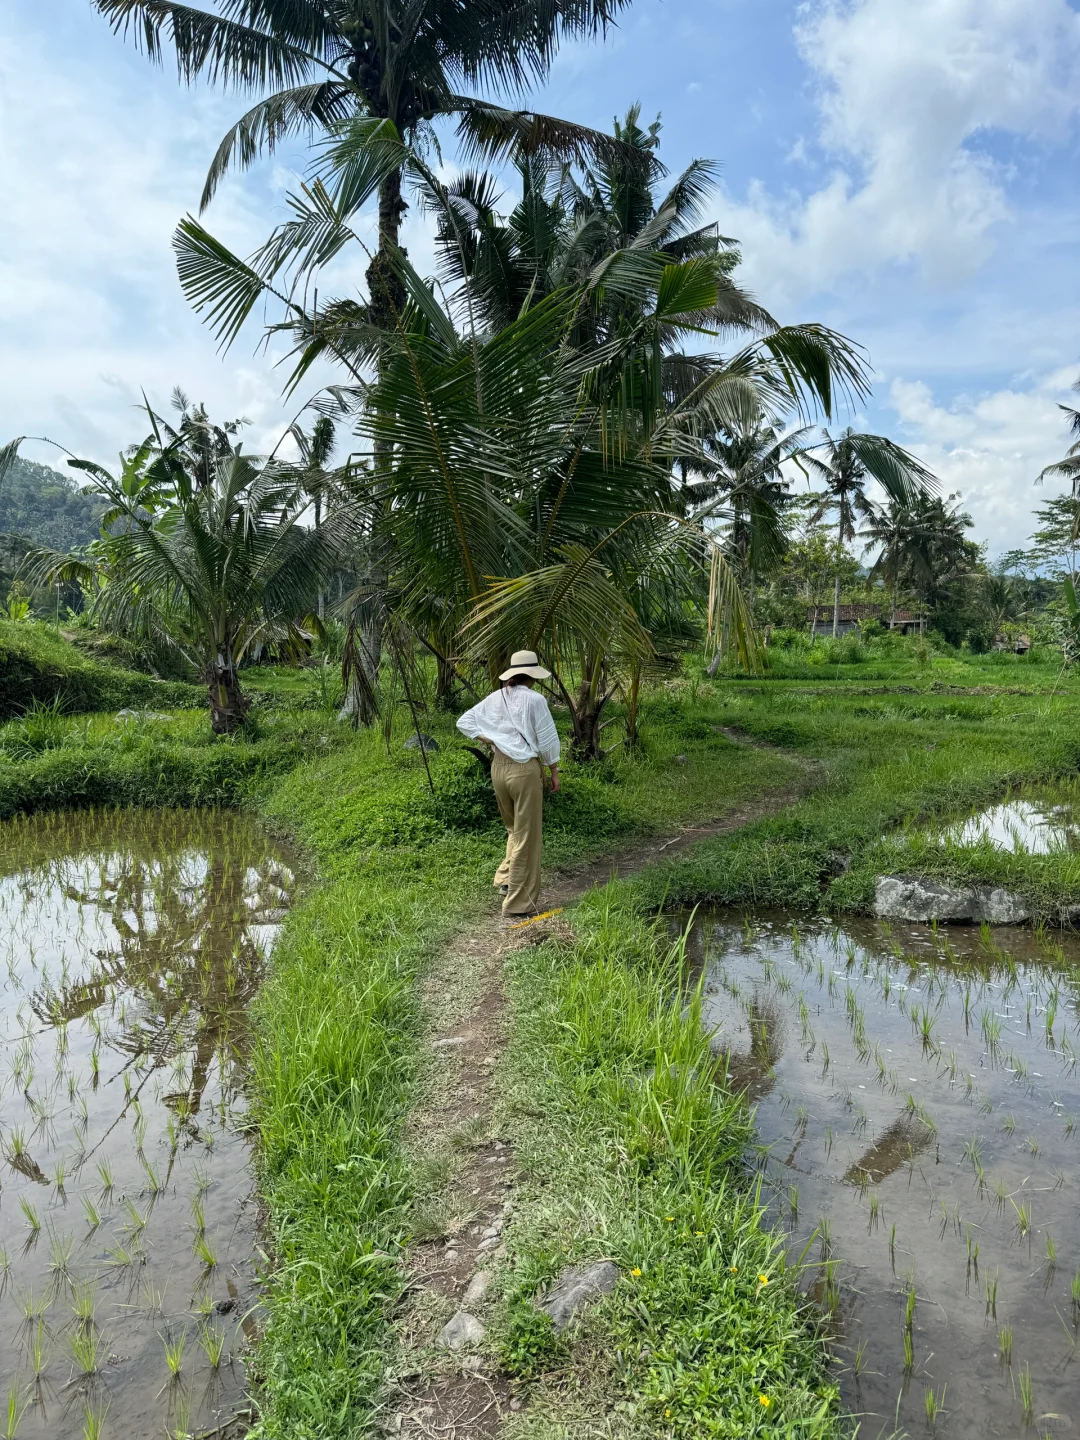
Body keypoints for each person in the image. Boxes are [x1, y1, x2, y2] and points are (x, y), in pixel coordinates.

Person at [456, 650, 561, 918]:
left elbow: (464, 721)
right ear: (532, 676)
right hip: (524, 771)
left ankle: (505, 879)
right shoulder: (536, 700)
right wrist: (554, 771)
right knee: (528, 835)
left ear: (513, 674)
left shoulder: (497, 696)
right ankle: (518, 904)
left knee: (514, 828)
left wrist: (492, 740)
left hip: (498, 769)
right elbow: (547, 740)